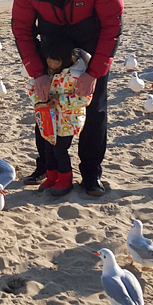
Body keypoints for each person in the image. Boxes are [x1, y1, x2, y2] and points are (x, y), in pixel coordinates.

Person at [12, 0, 124, 196]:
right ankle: (46, 167)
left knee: (94, 110)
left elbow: (113, 27)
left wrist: (94, 72)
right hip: (51, 44)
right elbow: (21, 29)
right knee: (45, 107)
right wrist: (37, 73)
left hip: (91, 42)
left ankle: (91, 174)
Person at [27, 39, 93, 197]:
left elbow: (85, 99)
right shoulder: (47, 72)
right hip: (49, 119)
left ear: (65, 59)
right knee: (48, 149)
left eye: (55, 62)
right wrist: (40, 100)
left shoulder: (77, 75)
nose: (51, 65)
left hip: (68, 120)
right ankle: (52, 177)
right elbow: (32, 87)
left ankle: (65, 180)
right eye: (48, 61)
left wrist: (61, 100)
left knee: (60, 150)